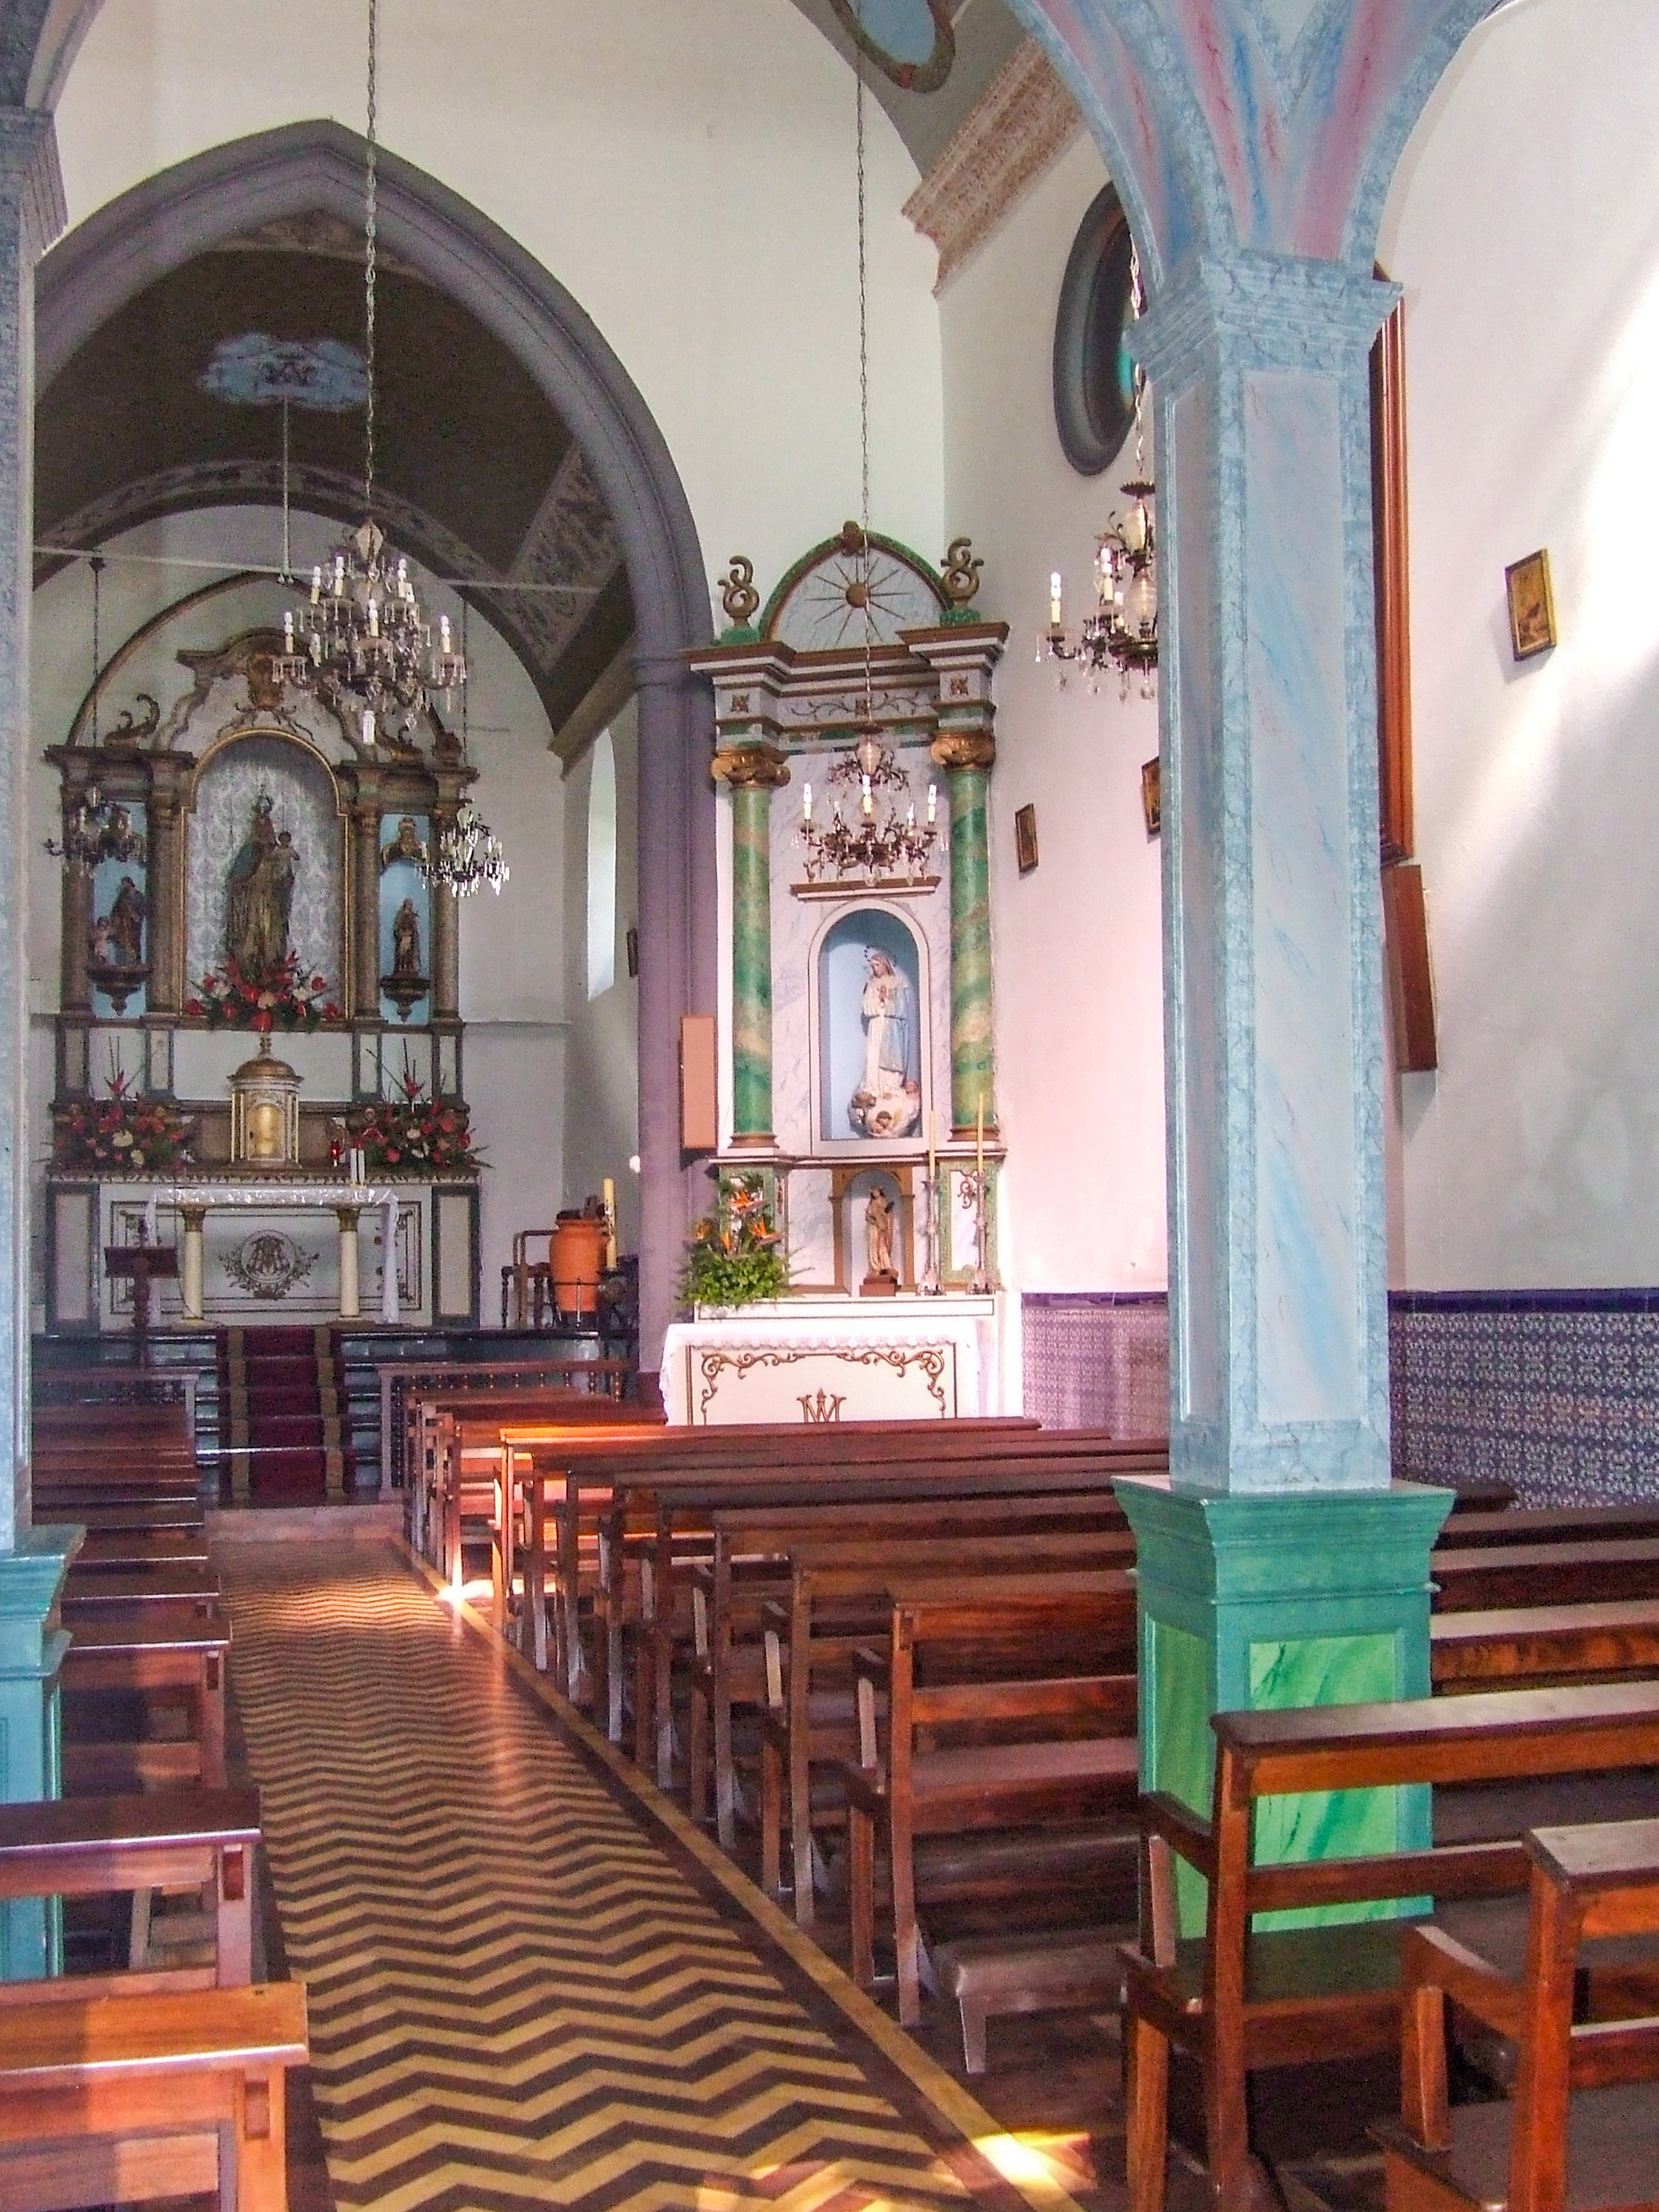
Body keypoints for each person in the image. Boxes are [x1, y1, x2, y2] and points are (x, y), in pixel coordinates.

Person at [849, 946, 921, 1138]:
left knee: (891, 1059)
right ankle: (874, 1088)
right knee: (873, 1058)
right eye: (872, 965)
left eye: (877, 964)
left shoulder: (898, 982)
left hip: (891, 1028)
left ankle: (890, 1088)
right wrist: (878, 1003)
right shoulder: (871, 984)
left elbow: (901, 1010)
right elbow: (866, 1008)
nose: (874, 969)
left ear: (886, 965)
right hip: (876, 1026)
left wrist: (885, 1002)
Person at [391, 897, 422, 978]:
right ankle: (400, 967)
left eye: (410, 905)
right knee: (402, 954)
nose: (409, 906)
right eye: (408, 904)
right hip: (402, 937)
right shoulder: (400, 915)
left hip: (409, 938)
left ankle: (409, 967)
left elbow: (414, 928)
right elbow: (397, 927)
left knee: (409, 954)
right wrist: (401, 933)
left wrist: (411, 933)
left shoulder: (412, 916)